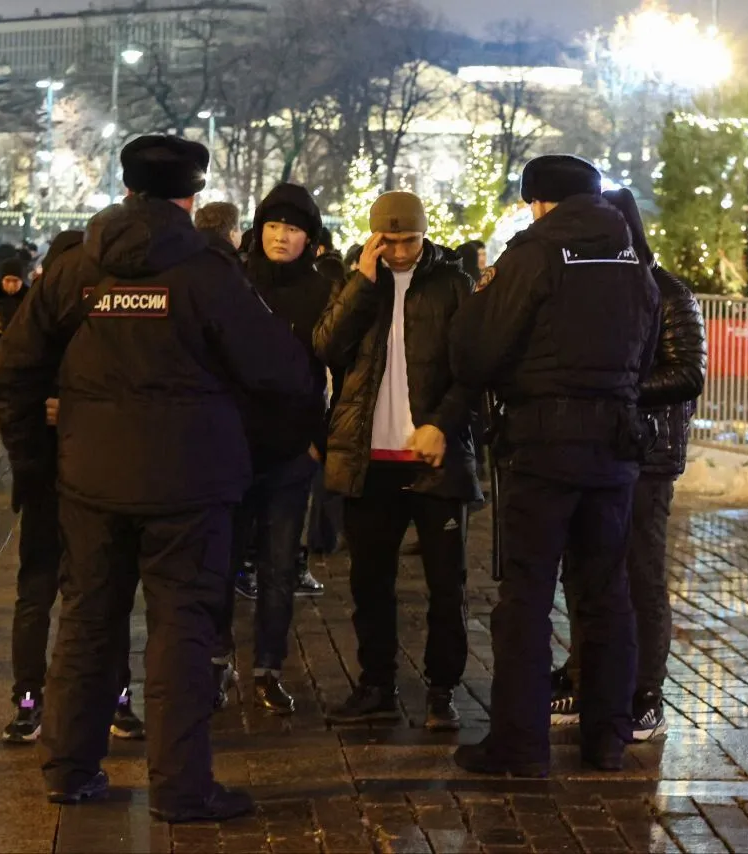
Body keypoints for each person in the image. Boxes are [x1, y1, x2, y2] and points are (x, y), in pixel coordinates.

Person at [0, 135, 315, 818]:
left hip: (90, 480)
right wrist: (248, 454)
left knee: (87, 620)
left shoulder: (77, 269)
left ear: (127, 188)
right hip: (192, 485)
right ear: (191, 196)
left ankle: (69, 767)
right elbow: (284, 374)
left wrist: (39, 461)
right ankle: (180, 786)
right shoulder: (209, 273)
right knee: (183, 631)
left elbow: (13, 369)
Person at [448, 155, 660, 776]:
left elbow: (477, 351)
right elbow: (647, 351)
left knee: (527, 598)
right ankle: (607, 737)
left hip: (542, 445)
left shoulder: (534, 254)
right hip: (614, 446)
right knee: (605, 595)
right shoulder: (633, 259)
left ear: (539, 202)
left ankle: (519, 744)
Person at [314, 191, 479, 732]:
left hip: (434, 456)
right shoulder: (357, 281)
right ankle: (376, 685)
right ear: (374, 239)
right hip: (370, 458)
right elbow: (326, 346)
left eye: (410, 240)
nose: (401, 252)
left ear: (424, 235)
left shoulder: (452, 283)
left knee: (446, 585)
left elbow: (474, 369)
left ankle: (441, 689)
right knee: (370, 583)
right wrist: (362, 283)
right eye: (390, 242)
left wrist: (443, 425)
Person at [551, 188, 705, 741]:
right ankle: (584, 674)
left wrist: (617, 386)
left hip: (648, 455)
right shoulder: (589, 288)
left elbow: (687, 373)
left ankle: (646, 692)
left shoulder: (668, 292)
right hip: (593, 448)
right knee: (585, 568)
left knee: (640, 572)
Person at [0, 231, 142, 746]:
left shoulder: (102, 322)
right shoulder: (42, 327)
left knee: (101, 589)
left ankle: (110, 694)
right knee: (47, 590)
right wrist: (32, 453)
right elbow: (12, 388)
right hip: (55, 478)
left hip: (97, 477)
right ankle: (32, 697)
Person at [213, 183, 331, 716]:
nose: (281, 237)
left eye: (293, 229)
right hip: (232, 451)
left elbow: (334, 369)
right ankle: (216, 661)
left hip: (290, 453)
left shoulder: (320, 292)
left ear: (310, 238)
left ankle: (268, 668)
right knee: (221, 563)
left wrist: (317, 442)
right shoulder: (233, 283)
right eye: (274, 226)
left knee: (279, 567)